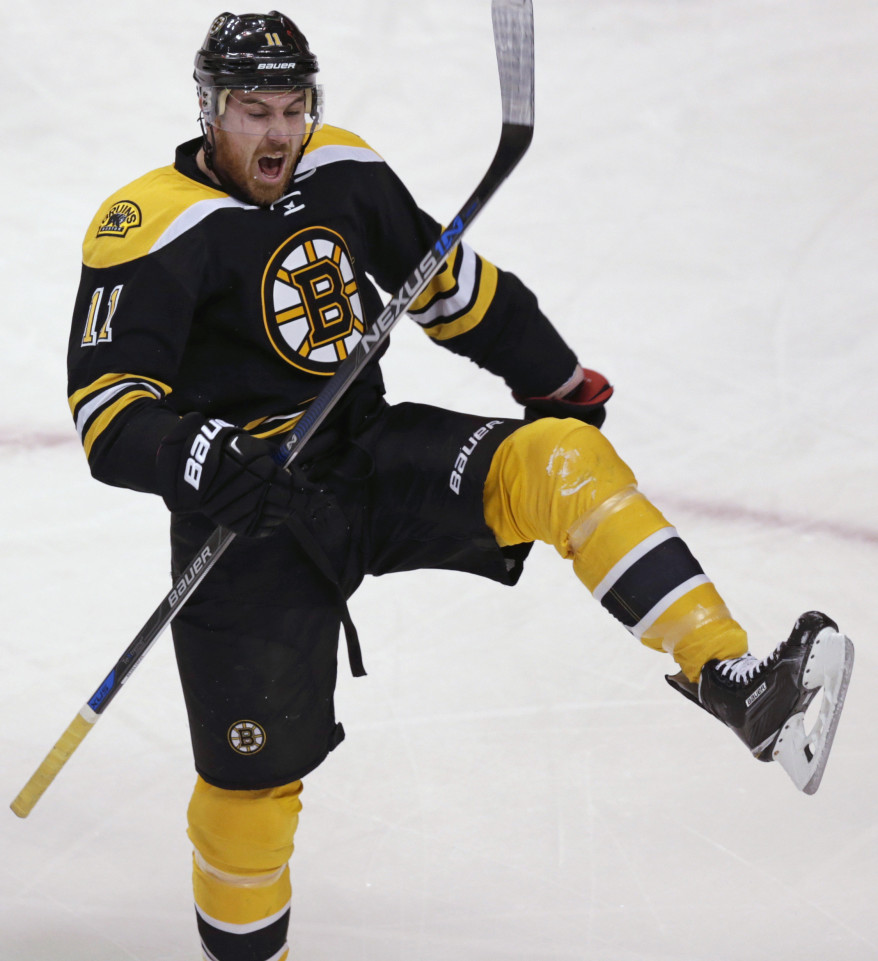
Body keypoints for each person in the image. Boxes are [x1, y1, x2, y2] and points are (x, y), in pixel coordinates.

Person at [66, 11, 854, 961]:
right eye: (252, 110)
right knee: (250, 790)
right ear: (208, 110)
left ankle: (732, 680)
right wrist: (204, 458)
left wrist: (551, 377)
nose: (278, 133)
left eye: (293, 107)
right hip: (249, 520)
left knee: (558, 457)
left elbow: (454, 289)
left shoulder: (345, 170)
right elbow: (108, 414)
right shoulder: (146, 225)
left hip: (368, 461)